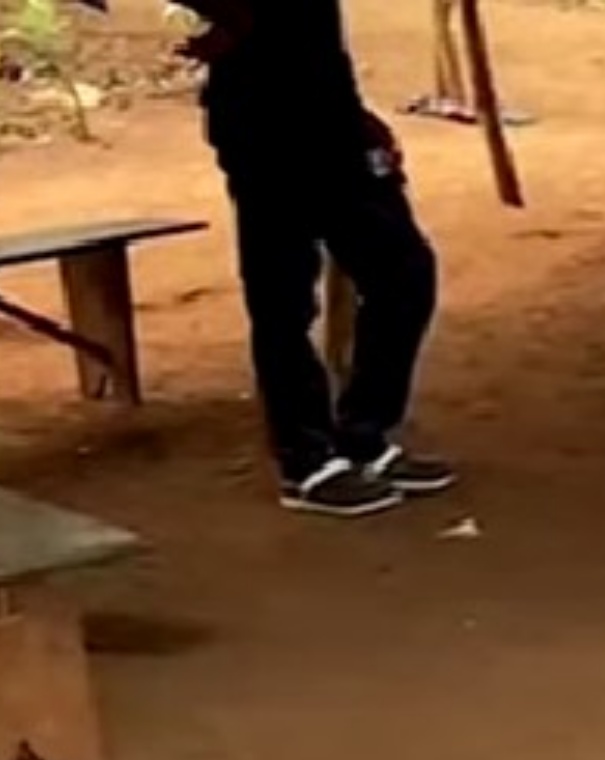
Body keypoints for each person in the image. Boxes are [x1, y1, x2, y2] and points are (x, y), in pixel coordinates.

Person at [175, 0, 455, 517]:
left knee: (405, 273)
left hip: (330, 115)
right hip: (263, 125)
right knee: (283, 298)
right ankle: (305, 459)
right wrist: (232, 19)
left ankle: (363, 433)